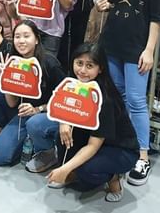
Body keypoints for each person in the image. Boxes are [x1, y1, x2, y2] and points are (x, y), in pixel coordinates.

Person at [96, 0, 160, 186]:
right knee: (119, 96)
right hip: (112, 44)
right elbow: (111, 5)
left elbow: (158, 19)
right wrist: (102, 2)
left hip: (137, 49)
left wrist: (149, 51)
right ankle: (124, 144)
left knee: (137, 101)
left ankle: (142, 155)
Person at [47, 43, 139, 203]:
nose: (82, 70)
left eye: (90, 66)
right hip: (91, 138)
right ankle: (73, 174)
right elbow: (62, 108)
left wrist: (65, 168)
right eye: (79, 63)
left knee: (87, 170)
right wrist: (63, 122)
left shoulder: (105, 99)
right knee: (61, 135)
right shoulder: (71, 85)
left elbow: (93, 146)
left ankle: (114, 178)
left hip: (119, 148)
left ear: (100, 68)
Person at [0, 20, 65, 166]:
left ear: (37, 39)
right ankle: (28, 141)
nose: (21, 41)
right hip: (24, 115)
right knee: (0, 157)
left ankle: (49, 150)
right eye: (17, 37)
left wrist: (38, 109)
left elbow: (63, 101)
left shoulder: (50, 63)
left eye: (26, 36)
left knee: (35, 123)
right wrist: (5, 80)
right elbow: (11, 103)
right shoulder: (14, 62)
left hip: (48, 114)